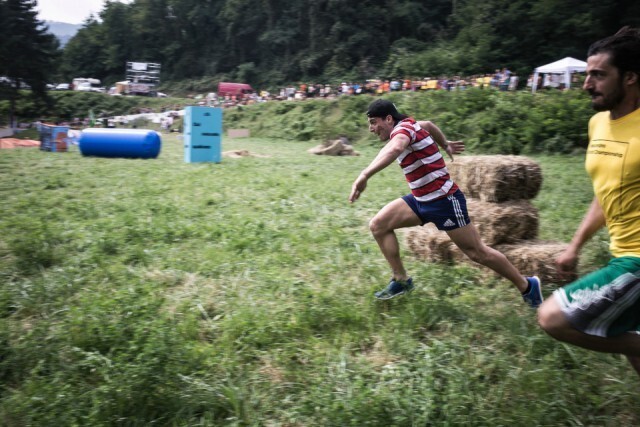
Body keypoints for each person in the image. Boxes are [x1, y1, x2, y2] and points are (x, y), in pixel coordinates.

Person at [349, 99, 542, 306]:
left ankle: (528, 286)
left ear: (388, 119)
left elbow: (395, 149)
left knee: (477, 252)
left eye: (373, 122)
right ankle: (401, 280)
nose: (371, 129)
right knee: (379, 225)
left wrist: (365, 174)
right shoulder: (412, 125)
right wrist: (446, 144)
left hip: (444, 201)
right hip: (421, 200)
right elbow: (430, 125)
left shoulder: (403, 130)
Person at [537, 27, 640, 377]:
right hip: (621, 251)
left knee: (551, 317)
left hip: (637, 261)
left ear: (629, 78)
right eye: (586, 74)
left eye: (598, 75)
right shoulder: (598, 123)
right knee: (632, 344)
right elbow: (606, 192)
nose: (586, 83)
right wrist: (575, 246)